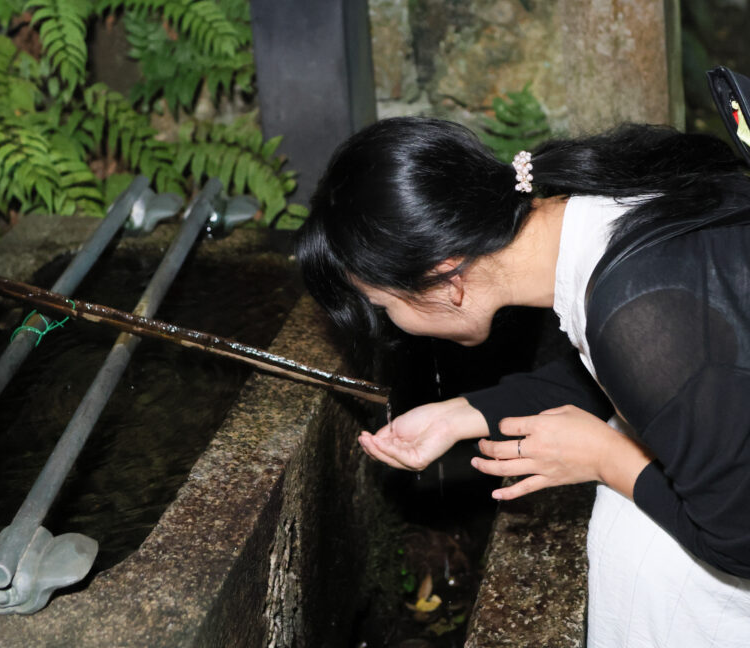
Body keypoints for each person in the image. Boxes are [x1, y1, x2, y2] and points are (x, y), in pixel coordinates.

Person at [294, 116, 750, 647]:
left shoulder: (638, 311)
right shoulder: (598, 209)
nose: (393, 322)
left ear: (447, 281)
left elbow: (738, 539)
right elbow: (641, 377)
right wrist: (462, 413)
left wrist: (605, 458)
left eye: (383, 304)